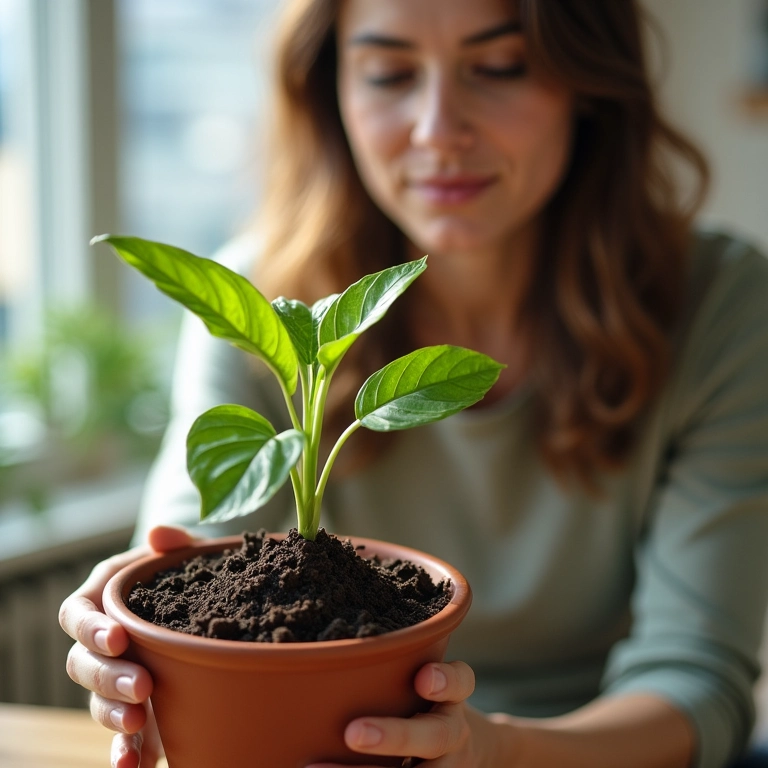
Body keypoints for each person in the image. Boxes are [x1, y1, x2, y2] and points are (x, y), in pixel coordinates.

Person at [59, 0, 768, 766]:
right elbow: (197, 544)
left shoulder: (716, 303)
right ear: (333, 91)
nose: (437, 129)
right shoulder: (262, 307)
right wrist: (130, 643)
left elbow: (698, 686)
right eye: (389, 73)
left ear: (589, 82)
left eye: (499, 67)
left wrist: (489, 752)